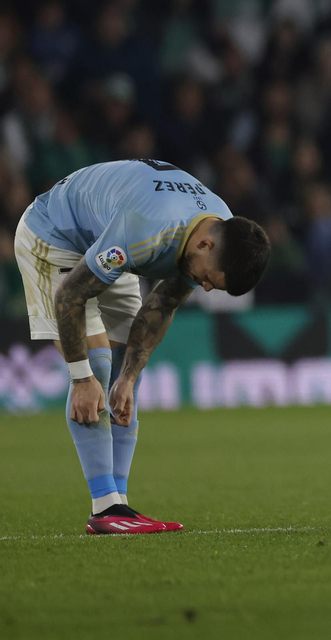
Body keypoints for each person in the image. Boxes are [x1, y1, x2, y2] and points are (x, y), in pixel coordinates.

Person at [15, 158, 271, 534]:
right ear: (205, 243)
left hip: (105, 239)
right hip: (53, 235)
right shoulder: (146, 229)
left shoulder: (220, 227)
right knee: (96, 367)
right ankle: (105, 510)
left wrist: (130, 377)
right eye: (207, 279)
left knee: (120, 376)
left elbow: (163, 303)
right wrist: (80, 377)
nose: (203, 288)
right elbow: (70, 296)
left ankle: (121, 507)